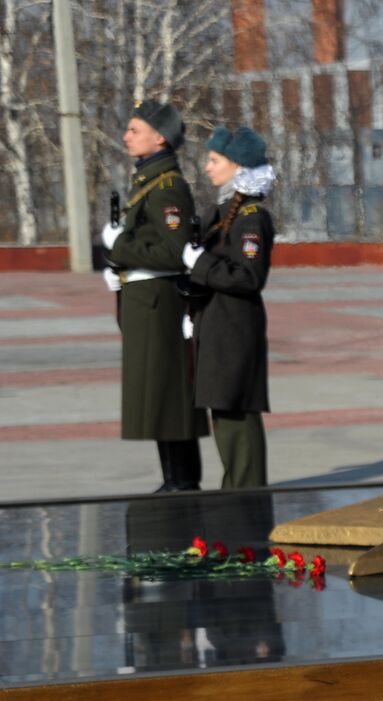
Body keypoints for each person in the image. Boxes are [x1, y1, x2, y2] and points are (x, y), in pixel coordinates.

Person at [102, 99, 206, 492]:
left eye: (134, 130)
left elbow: (175, 251)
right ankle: (172, 479)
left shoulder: (168, 187)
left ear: (159, 138)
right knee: (156, 393)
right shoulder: (146, 181)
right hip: (144, 299)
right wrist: (119, 265)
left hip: (160, 301)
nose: (126, 137)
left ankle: (183, 480)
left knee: (169, 392)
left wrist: (120, 248)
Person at [181, 126, 276, 489]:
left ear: (238, 167)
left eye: (214, 160)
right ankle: (235, 492)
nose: (207, 167)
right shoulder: (224, 212)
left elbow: (248, 277)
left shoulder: (251, 217)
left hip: (234, 328)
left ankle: (246, 494)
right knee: (223, 410)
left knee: (235, 410)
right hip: (217, 323)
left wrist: (199, 264)